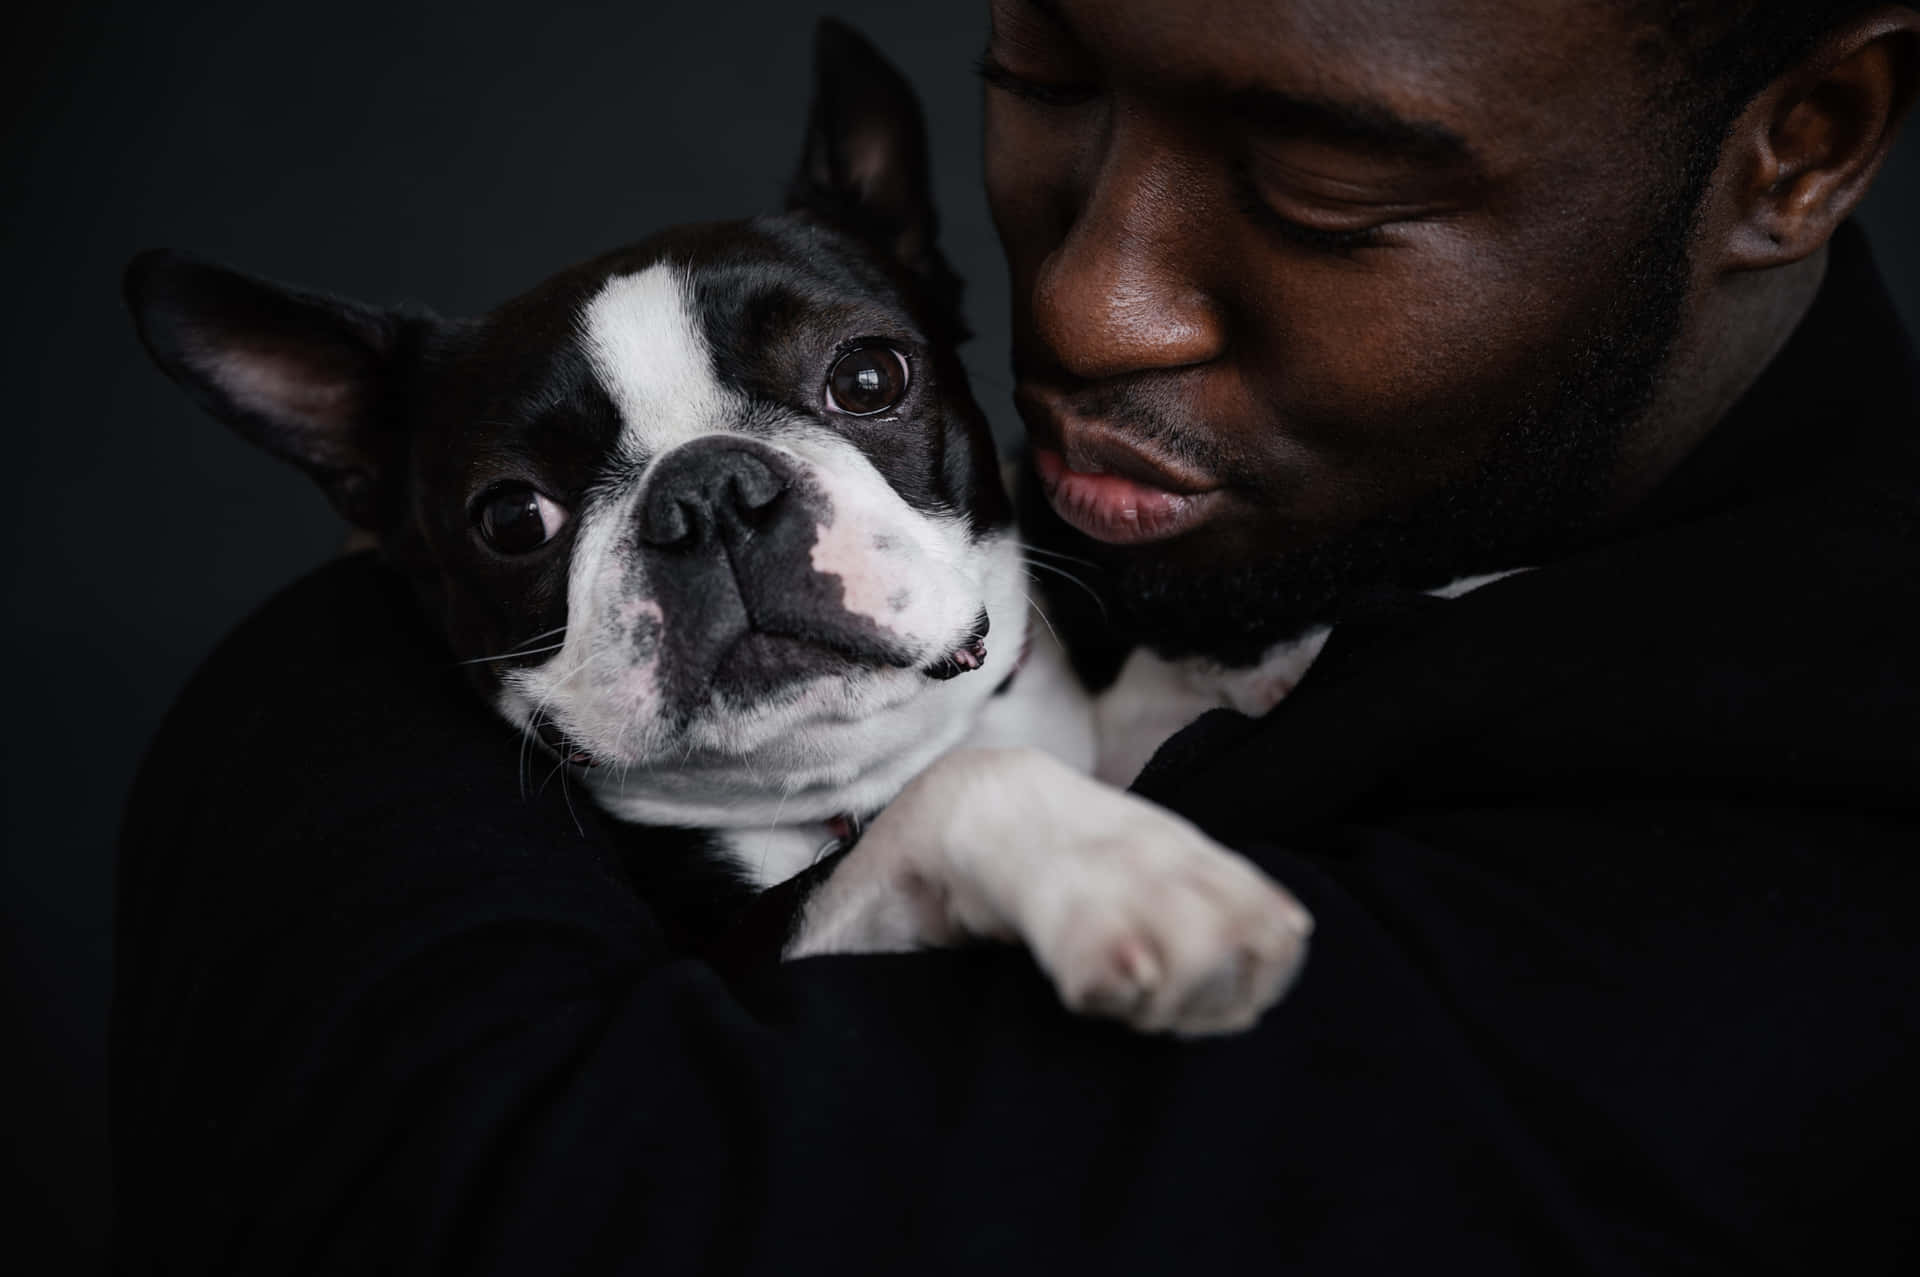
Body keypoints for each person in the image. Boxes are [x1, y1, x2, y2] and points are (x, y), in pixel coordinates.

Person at [114, 1, 1920, 1272]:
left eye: (1325, 190)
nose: (1084, 301)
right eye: (1045, 78)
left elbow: (550, 1209)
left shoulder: (1788, 879)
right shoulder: (1171, 512)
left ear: (1807, 146)